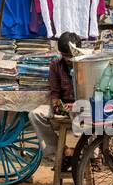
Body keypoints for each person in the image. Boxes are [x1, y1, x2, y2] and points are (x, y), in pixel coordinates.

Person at [28, 32, 83, 168]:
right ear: (61, 54)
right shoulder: (55, 65)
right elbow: (55, 92)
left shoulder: (86, 64)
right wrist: (58, 105)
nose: (69, 60)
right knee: (35, 115)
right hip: (64, 105)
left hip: (83, 106)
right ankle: (59, 152)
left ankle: (91, 155)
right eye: (66, 56)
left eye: (72, 56)